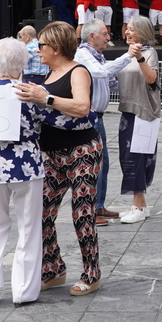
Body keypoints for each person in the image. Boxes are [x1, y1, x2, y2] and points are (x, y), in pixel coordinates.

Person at [0, 38, 97, 306]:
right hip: (27, 167)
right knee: (29, 227)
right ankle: (23, 290)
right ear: (22, 64)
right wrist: (89, 117)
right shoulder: (30, 93)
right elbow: (66, 122)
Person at [14, 21, 104, 297]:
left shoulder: (78, 71)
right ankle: (53, 269)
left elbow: (82, 107)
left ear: (55, 47)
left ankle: (91, 274)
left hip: (82, 151)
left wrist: (46, 98)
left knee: (82, 213)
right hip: (51, 153)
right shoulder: (47, 75)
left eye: (41, 45)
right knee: (41, 213)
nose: (36, 49)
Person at [73, 19, 143, 226]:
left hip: (98, 118)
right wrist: (128, 56)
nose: (108, 37)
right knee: (92, 165)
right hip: (89, 118)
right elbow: (101, 72)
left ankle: (99, 206)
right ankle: (90, 211)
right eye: (104, 33)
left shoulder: (98, 56)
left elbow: (111, 82)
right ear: (92, 36)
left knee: (102, 164)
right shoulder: (84, 55)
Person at [116, 16, 162, 224]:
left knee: (137, 159)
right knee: (128, 159)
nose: (127, 32)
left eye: (131, 29)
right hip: (127, 112)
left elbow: (151, 78)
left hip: (143, 114)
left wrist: (140, 58)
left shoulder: (149, 53)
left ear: (142, 33)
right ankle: (141, 205)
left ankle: (137, 206)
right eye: (127, 28)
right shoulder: (126, 55)